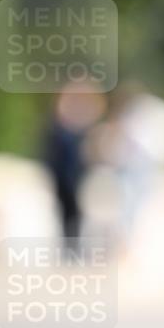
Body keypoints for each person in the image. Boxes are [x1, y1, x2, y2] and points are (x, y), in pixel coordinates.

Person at [44, 77, 106, 241]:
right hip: (63, 171)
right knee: (65, 205)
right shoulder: (61, 129)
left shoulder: (83, 130)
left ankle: (74, 240)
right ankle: (69, 240)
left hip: (78, 171)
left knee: (78, 207)